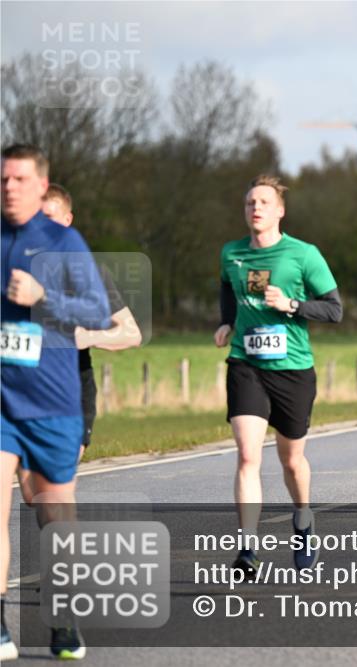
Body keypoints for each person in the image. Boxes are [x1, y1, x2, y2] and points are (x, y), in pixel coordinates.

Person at [2, 144, 112, 660]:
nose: (9, 187)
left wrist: (42, 298)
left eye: (20, 179)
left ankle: (63, 618)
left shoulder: (65, 243)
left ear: (41, 186)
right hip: (2, 401)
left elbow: (97, 311)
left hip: (53, 402)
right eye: (3, 179)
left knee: (55, 515)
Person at [214, 175, 342, 573]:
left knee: (291, 461)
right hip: (246, 365)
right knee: (248, 455)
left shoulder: (303, 254)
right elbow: (226, 290)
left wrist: (291, 305)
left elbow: (334, 310)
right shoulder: (231, 253)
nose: (256, 208)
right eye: (250, 202)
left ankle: (303, 520)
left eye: (264, 202)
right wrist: (227, 321)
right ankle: (247, 549)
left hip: (293, 370)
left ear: (280, 210)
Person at [16, 184, 142, 506]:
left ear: (68, 220)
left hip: (68, 391)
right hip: (17, 388)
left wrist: (87, 337)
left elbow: (131, 332)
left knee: (49, 495)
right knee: (31, 495)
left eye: (50, 218)